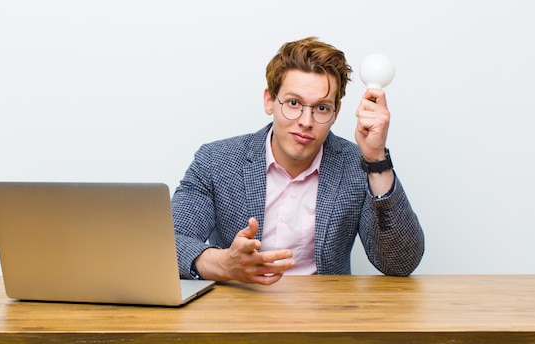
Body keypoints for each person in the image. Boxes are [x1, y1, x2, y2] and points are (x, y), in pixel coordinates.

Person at [172, 37, 424, 285]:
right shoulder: (216, 161)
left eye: (322, 108)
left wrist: (376, 160)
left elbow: (400, 264)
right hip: (239, 313)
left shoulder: (356, 166)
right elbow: (168, 243)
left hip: (326, 318)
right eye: (293, 103)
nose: (306, 121)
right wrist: (223, 264)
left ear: (335, 114)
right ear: (269, 101)